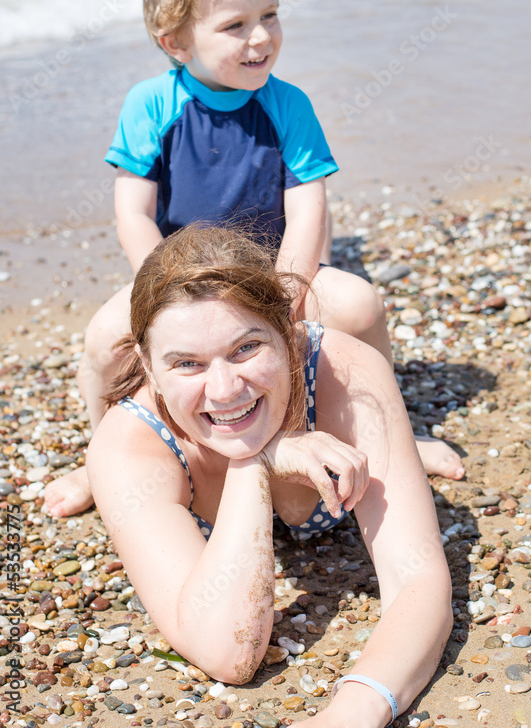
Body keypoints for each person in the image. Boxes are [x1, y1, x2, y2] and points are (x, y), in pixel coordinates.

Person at [45, 0, 463, 518]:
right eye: (235, 25)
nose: (261, 37)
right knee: (104, 342)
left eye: (269, 15)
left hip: (273, 270)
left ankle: (394, 430)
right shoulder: (151, 105)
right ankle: (99, 457)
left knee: (364, 306)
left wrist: (289, 288)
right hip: (179, 280)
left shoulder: (287, 105)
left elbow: (308, 207)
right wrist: (159, 287)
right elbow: (133, 211)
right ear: (176, 41)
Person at [86, 224, 456, 725]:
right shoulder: (131, 448)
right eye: (187, 364)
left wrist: (356, 709)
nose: (223, 389)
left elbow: (418, 579)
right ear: (150, 370)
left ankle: (409, 439)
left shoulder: (347, 375)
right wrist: (255, 464)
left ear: (286, 331)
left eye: (245, 348)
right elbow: (227, 653)